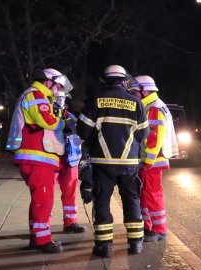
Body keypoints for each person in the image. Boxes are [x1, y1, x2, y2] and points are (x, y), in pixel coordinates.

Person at [77, 65, 149, 258]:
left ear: (105, 80)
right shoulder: (136, 103)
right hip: (129, 163)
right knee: (131, 200)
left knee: (102, 201)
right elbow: (143, 134)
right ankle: (135, 244)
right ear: (125, 81)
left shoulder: (95, 101)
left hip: (102, 163)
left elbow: (83, 131)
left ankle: (104, 246)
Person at [6, 68, 71, 253]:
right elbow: (49, 122)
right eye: (57, 86)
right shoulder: (36, 95)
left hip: (39, 157)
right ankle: (42, 241)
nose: (58, 90)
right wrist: (66, 122)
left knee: (40, 199)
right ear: (48, 82)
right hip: (36, 156)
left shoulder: (39, 96)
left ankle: (37, 237)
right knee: (43, 199)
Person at [128, 75, 179, 242]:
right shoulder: (151, 106)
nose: (134, 95)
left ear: (145, 91)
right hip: (148, 161)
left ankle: (159, 230)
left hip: (152, 161)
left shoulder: (154, 108)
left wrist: (148, 161)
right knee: (145, 194)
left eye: (135, 91)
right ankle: (148, 226)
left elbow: (154, 137)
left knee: (151, 194)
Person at [53, 91, 86, 233]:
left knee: (71, 190)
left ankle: (71, 222)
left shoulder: (68, 114)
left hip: (70, 157)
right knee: (46, 193)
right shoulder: (46, 113)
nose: (61, 100)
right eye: (59, 97)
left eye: (63, 97)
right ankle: (42, 225)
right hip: (52, 157)